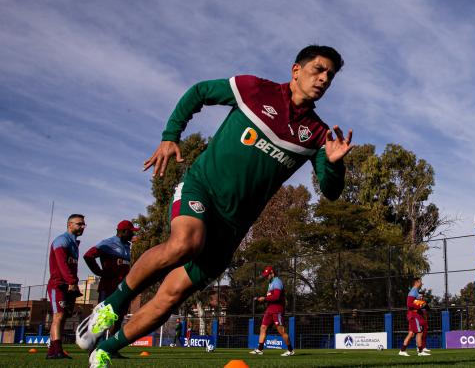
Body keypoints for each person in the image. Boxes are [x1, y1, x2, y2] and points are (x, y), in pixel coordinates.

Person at [78, 45, 352, 367]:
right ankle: (110, 305)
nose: (323, 79)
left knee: (173, 294)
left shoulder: (318, 134)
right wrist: (170, 135)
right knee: (185, 243)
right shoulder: (254, 89)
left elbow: (331, 191)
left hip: (233, 226)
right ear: (296, 70)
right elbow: (200, 92)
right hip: (202, 188)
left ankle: (105, 350)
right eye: (318, 69)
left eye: (330, 76)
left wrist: (334, 164)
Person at [83, 220, 139, 358]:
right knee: (103, 317)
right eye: (131, 231)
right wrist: (99, 272)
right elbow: (88, 255)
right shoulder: (107, 243)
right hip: (109, 287)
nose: (133, 233)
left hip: (123, 288)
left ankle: (111, 348)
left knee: (119, 318)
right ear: (123, 231)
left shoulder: (127, 246)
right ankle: (96, 348)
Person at [46, 214, 86, 359]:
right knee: (59, 316)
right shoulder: (61, 240)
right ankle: (56, 350)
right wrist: (71, 282)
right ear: (69, 225)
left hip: (69, 285)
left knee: (63, 317)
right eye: (79, 224)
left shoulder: (74, 243)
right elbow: (62, 264)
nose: (82, 227)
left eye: (83, 224)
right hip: (59, 285)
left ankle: (54, 350)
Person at [251, 266, 294, 356]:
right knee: (263, 328)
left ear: (272, 273)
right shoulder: (271, 283)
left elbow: (276, 297)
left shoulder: (277, 282)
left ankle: (290, 350)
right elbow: (271, 296)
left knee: (281, 331)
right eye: (265, 275)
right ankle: (260, 349)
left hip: (277, 310)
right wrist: (262, 299)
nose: (266, 277)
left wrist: (264, 298)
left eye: (267, 275)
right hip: (269, 310)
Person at [399, 277, 430, 357]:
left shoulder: (415, 291)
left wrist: (423, 304)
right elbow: (409, 304)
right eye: (420, 282)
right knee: (419, 333)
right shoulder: (413, 291)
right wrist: (420, 306)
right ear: (417, 282)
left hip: (414, 314)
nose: (422, 283)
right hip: (413, 315)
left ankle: (403, 350)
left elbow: (416, 302)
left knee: (411, 333)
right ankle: (420, 351)